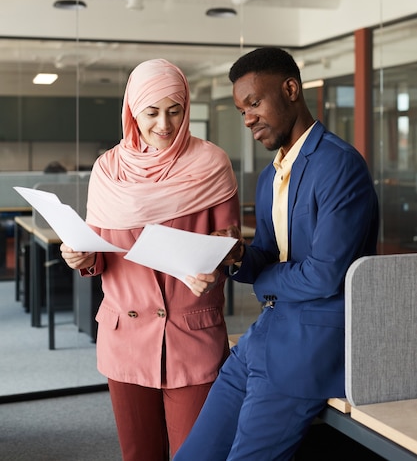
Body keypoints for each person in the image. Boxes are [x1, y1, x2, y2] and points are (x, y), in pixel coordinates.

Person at [173, 46, 379, 461]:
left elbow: (324, 276)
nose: (248, 118)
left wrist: (265, 278)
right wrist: (234, 256)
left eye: (254, 103)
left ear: (290, 90)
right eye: (241, 110)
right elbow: (267, 254)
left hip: (310, 346)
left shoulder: (339, 165)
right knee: (193, 455)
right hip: (262, 336)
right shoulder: (270, 177)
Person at [60, 58, 241, 461]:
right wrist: (82, 257)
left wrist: (216, 263)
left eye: (175, 111)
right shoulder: (108, 170)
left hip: (191, 332)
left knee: (195, 454)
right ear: (132, 111)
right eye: (152, 112)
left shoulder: (211, 163)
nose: (164, 124)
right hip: (125, 334)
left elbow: (230, 246)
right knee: (139, 453)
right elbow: (100, 256)